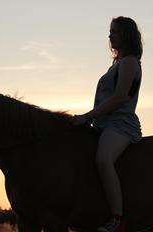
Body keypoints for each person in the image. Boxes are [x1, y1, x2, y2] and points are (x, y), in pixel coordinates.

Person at [72, 16, 143, 232]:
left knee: (103, 160)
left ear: (126, 35)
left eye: (115, 31)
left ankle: (118, 220)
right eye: (110, 31)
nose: (110, 35)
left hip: (121, 124)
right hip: (105, 124)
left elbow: (120, 97)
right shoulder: (117, 64)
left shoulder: (130, 62)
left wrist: (88, 116)